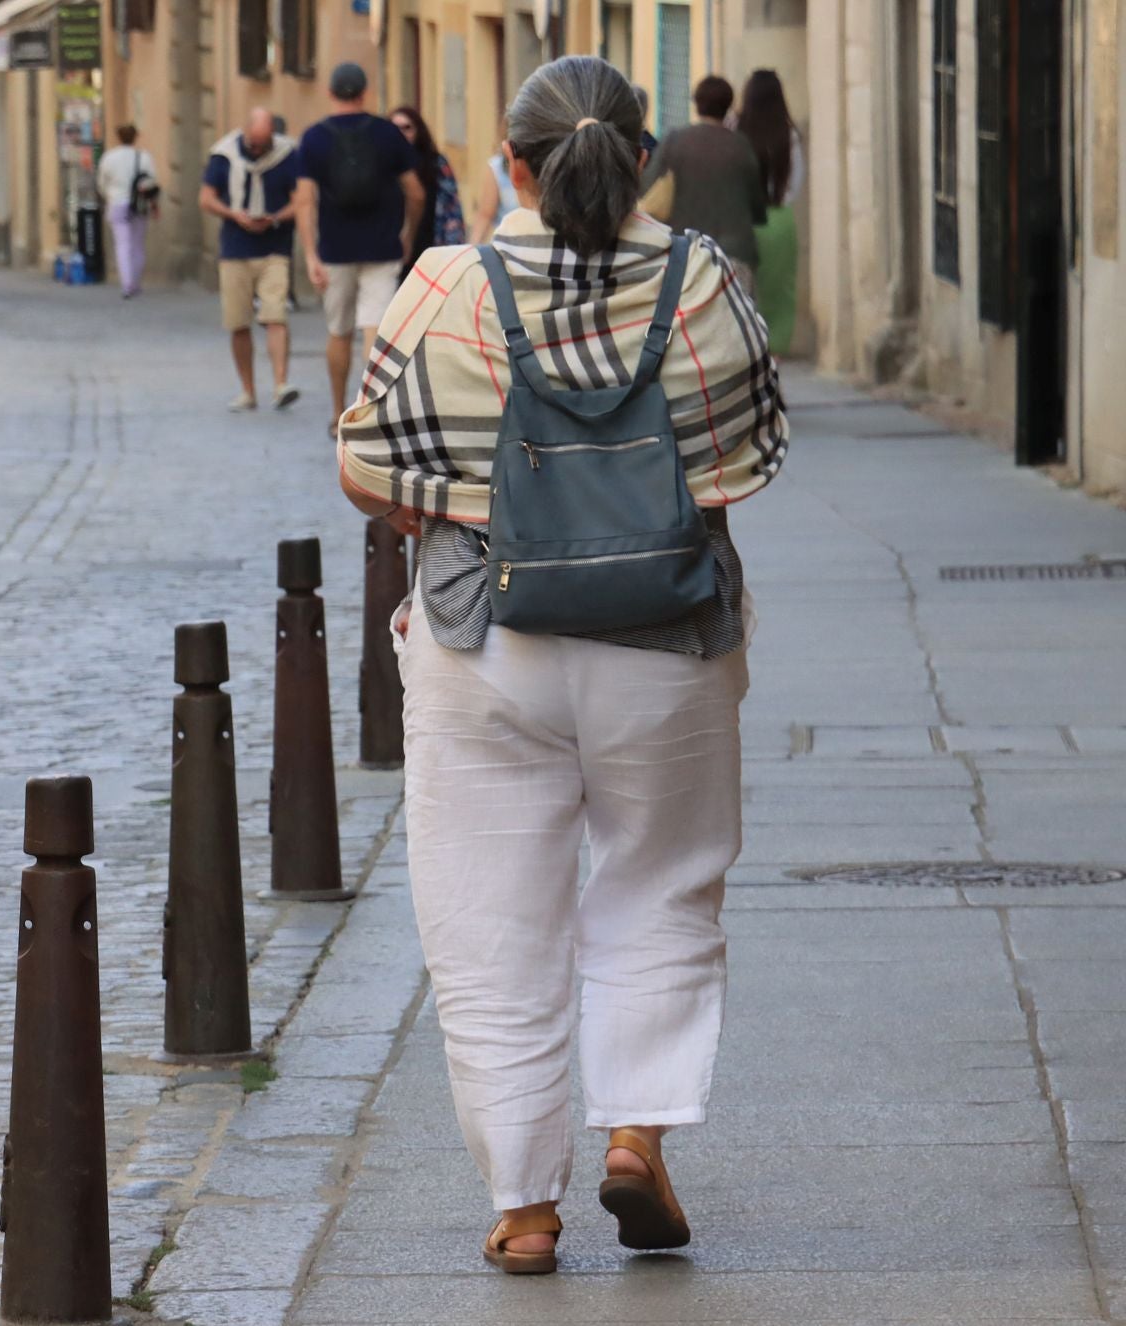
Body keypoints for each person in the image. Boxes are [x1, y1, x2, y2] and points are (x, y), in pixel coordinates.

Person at [337, 55, 788, 1275]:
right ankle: (635, 1135)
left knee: (491, 932)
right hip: (671, 640)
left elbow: (368, 469)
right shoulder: (703, 283)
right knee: (662, 887)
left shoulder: (446, 286)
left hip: (489, 640)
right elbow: (748, 458)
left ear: (518, 169)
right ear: (641, 159)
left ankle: (525, 1210)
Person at [297, 62, 425, 436]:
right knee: (376, 329)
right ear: (365, 93)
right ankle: (369, 413)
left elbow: (305, 201)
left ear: (330, 93)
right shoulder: (387, 134)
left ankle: (338, 413)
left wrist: (309, 253)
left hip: (335, 250)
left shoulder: (314, 138)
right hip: (383, 246)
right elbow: (415, 191)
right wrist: (407, 232)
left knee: (338, 331)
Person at [201, 108, 303, 412]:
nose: (258, 150)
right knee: (238, 322)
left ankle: (281, 384)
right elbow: (206, 198)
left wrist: (274, 218)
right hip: (235, 248)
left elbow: (302, 201)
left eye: (264, 143)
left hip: (275, 247)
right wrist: (234, 215)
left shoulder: (288, 155)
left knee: (276, 316)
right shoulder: (223, 155)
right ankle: (248, 391)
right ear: (245, 133)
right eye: (254, 143)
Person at [641, 75, 766, 298]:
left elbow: (646, 187)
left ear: (697, 103)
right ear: (728, 105)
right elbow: (757, 205)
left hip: (687, 254)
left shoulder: (675, 141)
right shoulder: (741, 146)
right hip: (735, 254)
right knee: (736, 325)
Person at [735, 69, 804, 354]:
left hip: (743, 218)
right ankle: (773, 360)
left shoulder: (735, 129)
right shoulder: (789, 133)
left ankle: (749, 357)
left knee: (742, 296)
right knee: (779, 297)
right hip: (779, 218)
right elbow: (797, 180)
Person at [391, 104, 466, 280]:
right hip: (393, 244)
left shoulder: (436, 163)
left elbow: (451, 207)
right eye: (395, 128)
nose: (401, 133)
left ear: (418, 130)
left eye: (407, 127)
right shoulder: (383, 164)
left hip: (431, 240)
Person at [97, 125, 157, 299]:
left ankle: (127, 284)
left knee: (122, 244)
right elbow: (151, 181)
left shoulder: (109, 157)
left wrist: (108, 194)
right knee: (138, 244)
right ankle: (136, 282)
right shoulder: (143, 157)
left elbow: (102, 182)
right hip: (138, 204)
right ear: (135, 137)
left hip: (117, 202)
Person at [470, 115, 518, 243]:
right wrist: (472, 251)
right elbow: (485, 214)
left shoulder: (545, 164)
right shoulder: (497, 168)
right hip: (507, 246)